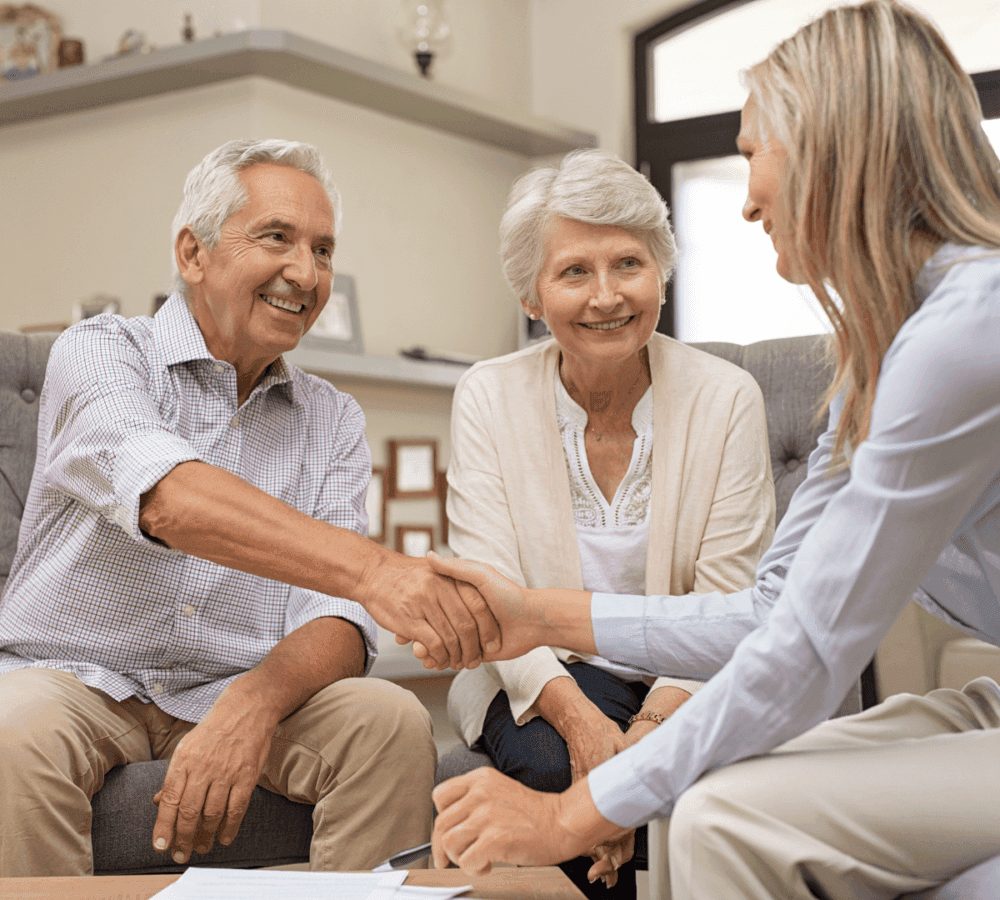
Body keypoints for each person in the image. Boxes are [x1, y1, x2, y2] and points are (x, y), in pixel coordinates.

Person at [427, 2, 1000, 897]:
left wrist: (573, 816)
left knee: (716, 816)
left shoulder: (966, 331)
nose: (747, 198)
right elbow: (772, 611)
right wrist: (537, 617)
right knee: (713, 790)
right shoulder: (885, 356)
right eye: (574, 271)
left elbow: (808, 649)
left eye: (753, 151)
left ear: (830, 150)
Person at [0, 138, 500, 877]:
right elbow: (167, 499)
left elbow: (339, 619)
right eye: (277, 238)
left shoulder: (332, 417)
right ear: (193, 253)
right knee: (10, 735)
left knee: (390, 721)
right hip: (73, 677)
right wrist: (377, 573)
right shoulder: (101, 352)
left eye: (323, 251)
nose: (307, 273)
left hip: (234, 683)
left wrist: (256, 700)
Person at [443, 148, 774, 899]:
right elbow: (492, 598)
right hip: (538, 675)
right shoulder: (487, 396)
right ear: (531, 295)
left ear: (662, 272)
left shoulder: (728, 398)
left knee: (676, 789)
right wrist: (590, 732)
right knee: (559, 767)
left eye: (629, 263)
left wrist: (643, 741)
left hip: (687, 676)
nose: (606, 296)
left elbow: (727, 603)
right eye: (573, 272)